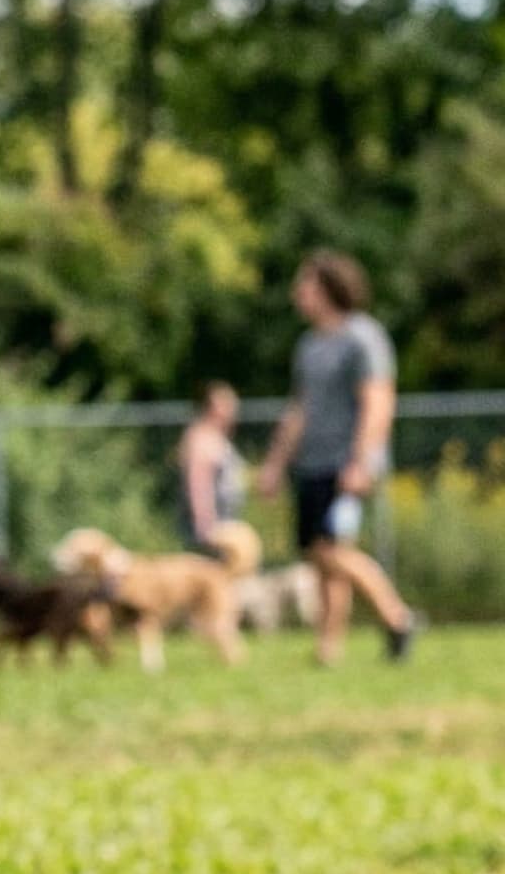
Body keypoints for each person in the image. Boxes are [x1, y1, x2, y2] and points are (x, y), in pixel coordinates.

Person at [255, 251, 418, 663]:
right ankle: (329, 647)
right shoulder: (309, 345)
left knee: (332, 551)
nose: (297, 293)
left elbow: (378, 403)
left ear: (328, 288)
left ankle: (397, 616)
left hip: (346, 464)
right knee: (320, 557)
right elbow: (299, 409)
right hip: (311, 463)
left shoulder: (363, 337)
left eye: (304, 284)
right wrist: (275, 463)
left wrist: (360, 463)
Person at [177, 381, 246, 555]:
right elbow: (198, 486)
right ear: (212, 408)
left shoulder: (216, 436)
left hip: (223, 524)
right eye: (227, 405)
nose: (232, 411)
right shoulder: (202, 438)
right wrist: (206, 529)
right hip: (211, 530)